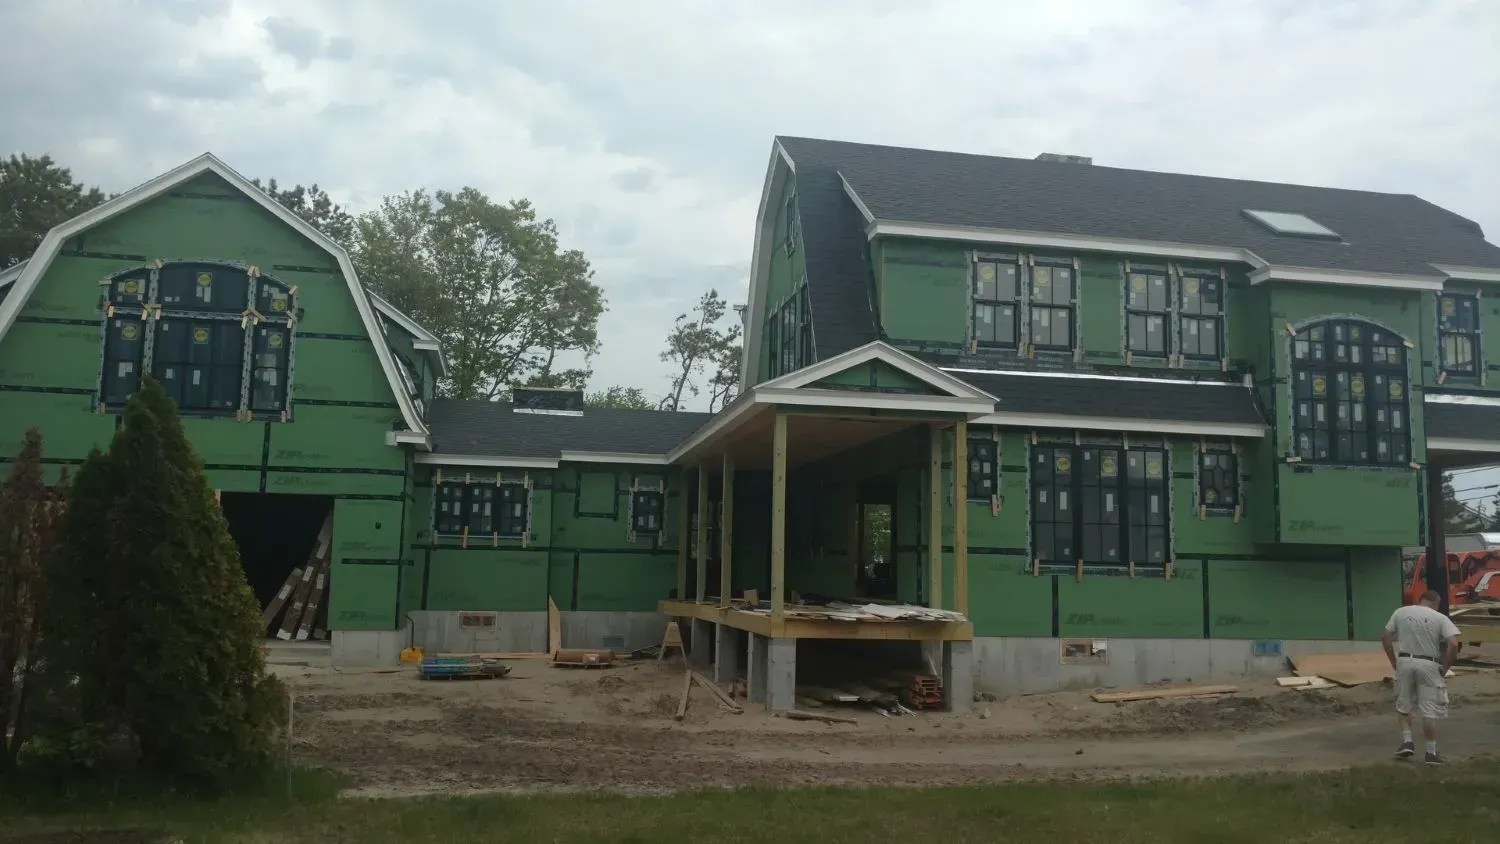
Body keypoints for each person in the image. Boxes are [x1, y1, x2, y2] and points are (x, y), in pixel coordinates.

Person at [1380, 590, 1461, 764]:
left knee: (1404, 704)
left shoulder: (1400, 612)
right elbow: (1453, 644)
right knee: (1429, 709)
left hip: (1405, 660)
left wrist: (1394, 661)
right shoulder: (1439, 618)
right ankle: (1431, 753)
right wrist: (1445, 667)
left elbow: (1385, 636)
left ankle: (1407, 741)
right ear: (1436, 603)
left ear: (1420, 600)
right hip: (1429, 664)